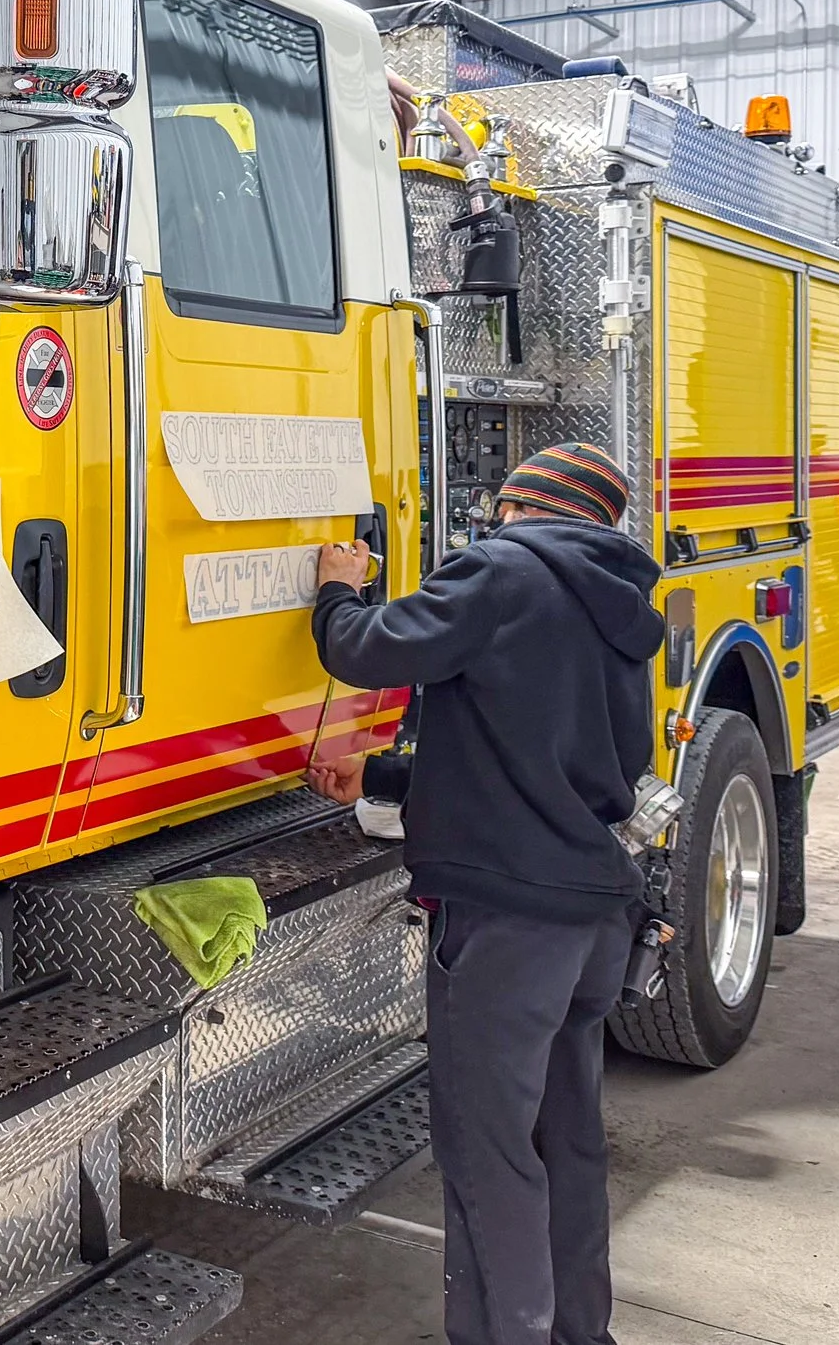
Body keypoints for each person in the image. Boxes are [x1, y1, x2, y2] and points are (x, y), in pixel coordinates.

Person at [307, 441, 665, 1345]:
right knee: (567, 1145)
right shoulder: (619, 604)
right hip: (591, 918)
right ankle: (581, 1332)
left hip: (511, 928)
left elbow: (367, 648)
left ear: (519, 506)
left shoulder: (500, 570)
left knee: (488, 1154)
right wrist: (386, 774)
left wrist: (337, 587)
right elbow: (551, 744)